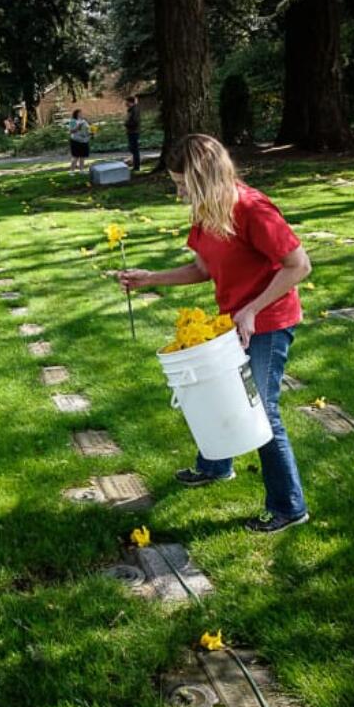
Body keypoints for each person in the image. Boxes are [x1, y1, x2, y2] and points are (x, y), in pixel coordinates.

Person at [119, 134, 312, 534]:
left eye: (182, 184)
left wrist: (252, 309)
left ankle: (289, 506)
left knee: (259, 407)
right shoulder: (207, 211)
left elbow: (299, 266)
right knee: (217, 392)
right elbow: (203, 270)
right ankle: (216, 466)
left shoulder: (254, 209)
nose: (179, 193)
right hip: (236, 317)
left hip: (270, 320)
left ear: (203, 177)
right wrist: (149, 279)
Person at [68, 108, 92, 172]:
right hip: (76, 141)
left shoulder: (84, 121)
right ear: (77, 114)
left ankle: (81, 170)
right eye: (80, 113)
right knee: (75, 156)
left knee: (82, 156)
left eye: (82, 113)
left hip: (84, 140)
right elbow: (71, 131)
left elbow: (87, 129)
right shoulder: (72, 121)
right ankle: (72, 171)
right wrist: (78, 126)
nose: (82, 114)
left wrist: (91, 132)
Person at [124, 95, 142, 171]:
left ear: (130, 102)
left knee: (135, 149)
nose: (125, 103)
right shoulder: (131, 110)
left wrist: (127, 124)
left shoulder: (134, 110)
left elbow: (135, 122)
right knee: (132, 149)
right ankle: (135, 164)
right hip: (131, 131)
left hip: (134, 131)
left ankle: (136, 167)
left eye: (126, 102)